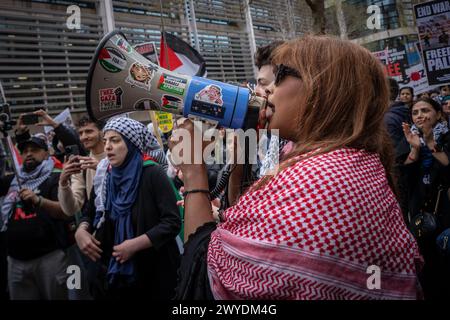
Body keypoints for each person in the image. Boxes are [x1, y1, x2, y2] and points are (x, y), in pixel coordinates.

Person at [171, 35, 422, 300]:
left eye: (278, 77)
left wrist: (193, 169)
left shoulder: (321, 178)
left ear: (322, 89)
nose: (265, 93)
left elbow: (204, 275)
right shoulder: (345, 161)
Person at [75, 117, 181, 299]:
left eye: (115, 140)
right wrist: (82, 230)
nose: (107, 146)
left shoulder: (152, 173)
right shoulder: (105, 176)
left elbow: (172, 222)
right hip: (114, 274)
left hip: (154, 274)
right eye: (106, 140)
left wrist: (135, 245)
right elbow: (90, 213)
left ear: (132, 143)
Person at [0, 116, 70, 299]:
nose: (29, 153)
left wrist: (39, 201)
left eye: (35, 150)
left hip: (50, 259)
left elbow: (65, 211)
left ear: (46, 153)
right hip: (15, 261)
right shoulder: (13, 180)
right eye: (25, 151)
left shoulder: (55, 177)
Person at [401, 97, 450, 299]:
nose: (420, 115)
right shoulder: (410, 141)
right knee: (428, 268)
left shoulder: (447, 137)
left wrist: (431, 143)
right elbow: (404, 180)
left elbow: (448, 168)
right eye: (415, 112)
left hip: (445, 211)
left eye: (425, 110)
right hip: (421, 214)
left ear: (438, 114)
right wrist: (414, 148)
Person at [58, 116, 106, 217]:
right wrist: (63, 183)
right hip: (98, 224)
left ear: (102, 132)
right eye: (80, 133)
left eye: (89, 131)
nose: (83, 137)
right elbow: (71, 209)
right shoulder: (81, 165)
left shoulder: (117, 157)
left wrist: (102, 169)